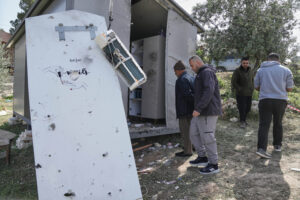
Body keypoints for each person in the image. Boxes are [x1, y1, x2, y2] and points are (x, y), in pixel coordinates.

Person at [254, 53, 294, 159]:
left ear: (268, 60)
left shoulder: (260, 70)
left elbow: (256, 87)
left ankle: (261, 149)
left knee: (264, 125)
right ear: (278, 60)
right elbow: (290, 88)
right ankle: (277, 146)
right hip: (280, 101)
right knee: (278, 123)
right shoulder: (286, 71)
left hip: (265, 100)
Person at [188, 55, 222, 174]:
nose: (191, 68)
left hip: (208, 111)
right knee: (194, 133)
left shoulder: (207, 72)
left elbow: (209, 91)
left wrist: (199, 107)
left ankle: (214, 164)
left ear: (197, 62)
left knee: (208, 137)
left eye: (192, 65)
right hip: (200, 111)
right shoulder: (200, 74)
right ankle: (202, 157)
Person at [174, 60, 195, 157]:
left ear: (178, 70)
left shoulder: (181, 79)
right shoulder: (190, 77)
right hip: (191, 110)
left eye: (175, 71)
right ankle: (193, 147)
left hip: (184, 110)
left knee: (185, 131)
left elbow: (187, 95)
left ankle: (187, 151)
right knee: (192, 130)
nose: (175, 73)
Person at [231, 57, 254, 128]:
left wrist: (252, 88)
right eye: (244, 63)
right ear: (241, 63)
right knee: (242, 108)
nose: (245, 64)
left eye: (247, 63)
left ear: (248, 63)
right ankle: (242, 121)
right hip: (240, 93)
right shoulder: (237, 71)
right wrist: (239, 89)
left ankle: (243, 119)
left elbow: (252, 80)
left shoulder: (250, 70)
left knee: (248, 108)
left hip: (249, 93)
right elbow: (233, 82)